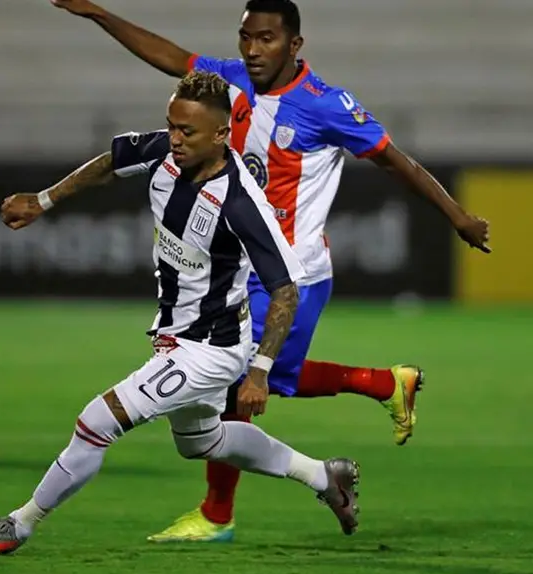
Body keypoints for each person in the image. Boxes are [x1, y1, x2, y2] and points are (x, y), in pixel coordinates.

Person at [51, 0, 492, 542]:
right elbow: (171, 58)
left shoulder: (325, 106)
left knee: (244, 383)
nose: (253, 50)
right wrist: (98, 14)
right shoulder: (231, 82)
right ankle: (384, 384)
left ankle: (217, 515)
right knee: (266, 378)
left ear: (294, 45)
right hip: (244, 266)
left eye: (266, 39)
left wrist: (458, 216)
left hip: (294, 274)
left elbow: (396, 160)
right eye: (245, 38)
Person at [0, 71, 361, 554]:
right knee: (204, 443)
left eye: (187, 132)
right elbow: (111, 161)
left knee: (97, 421)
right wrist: (44, 201)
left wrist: (259, 371)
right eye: (171, 125)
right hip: (180, 337)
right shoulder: (164, 152)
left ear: (221, 135)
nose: (174, 139)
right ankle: (323, 476)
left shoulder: (239, 201)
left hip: (211, 349)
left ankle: (19, 524)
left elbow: (284, 291)